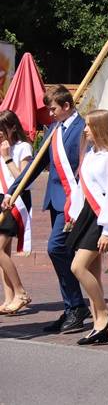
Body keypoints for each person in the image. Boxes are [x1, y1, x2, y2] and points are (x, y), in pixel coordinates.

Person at [3, 85, 90, 333]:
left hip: (74, 201)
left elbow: (86, 164)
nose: (50, 114)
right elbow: (35, 168)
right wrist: (12, 191)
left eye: (53, 109)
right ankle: (72, 308)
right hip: (55, 200)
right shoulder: (53, 129)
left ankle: (80, 306)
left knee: (56, 248)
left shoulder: (83, 128)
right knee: (64, 253)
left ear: (66, 106)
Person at [67, 110, 108, 345]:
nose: (85, 130)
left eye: (89, 126)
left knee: (77, 267)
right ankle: (98, 326)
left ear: (101, 128)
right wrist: (74, 214)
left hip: (101, 218)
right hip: (87, 215)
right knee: (92, 273)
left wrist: (107, 231)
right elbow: (83, 188)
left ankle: (104, 312)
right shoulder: (91, 154)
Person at [0, 110, 33, 314]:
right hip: (1, 198)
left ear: (13, 127)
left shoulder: (23, 147)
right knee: (4, 253)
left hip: (15, 200)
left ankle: (20, 292)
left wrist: (7, 157)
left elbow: (24, 179)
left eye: (2, 129)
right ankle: (9, 299)